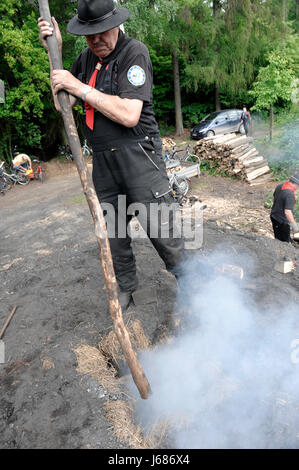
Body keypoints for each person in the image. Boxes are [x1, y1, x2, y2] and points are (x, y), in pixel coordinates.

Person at [38, 0, 185, 310]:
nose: (96, 41)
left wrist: (77, 85)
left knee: (161, 228)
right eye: (89, 35)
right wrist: (55, 56)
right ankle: (127, 288)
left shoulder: (134, 53)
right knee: (113, 234)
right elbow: (62, 104)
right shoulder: (84, 59)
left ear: (116, 25)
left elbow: (130, 114)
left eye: (101, 33)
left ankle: (191, 283)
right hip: (103, 161)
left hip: (139, 156)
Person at [270, 173, 299, 243]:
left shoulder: (281, 185)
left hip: (274, 216)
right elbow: (288, 212)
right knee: (283, 243)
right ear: (297, 184)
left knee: (279, 236)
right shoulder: (290, 194)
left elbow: (273, 198)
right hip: (281, 221)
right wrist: (295, 227)